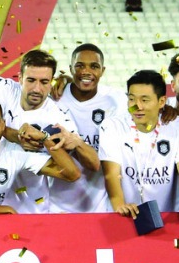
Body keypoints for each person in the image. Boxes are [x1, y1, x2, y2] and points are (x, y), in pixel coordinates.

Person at [0, 50, 83, 213]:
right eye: (31, 80)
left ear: (51, 82)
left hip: (32, 208)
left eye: (44, 82)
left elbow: (72, 171)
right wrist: (18, 137)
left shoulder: (57, 117)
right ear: (20, 78)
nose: (37, 88)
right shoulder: (6, 89)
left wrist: (45, 139)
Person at [100, 70, 179, 220]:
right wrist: (120, 206)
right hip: (125, 216)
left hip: (167, 217)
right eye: (131, 99)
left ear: (161, 102)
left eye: (145, 100)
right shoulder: (111, 127)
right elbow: (111, 174)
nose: (137, 106)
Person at [54, 44, 127, 212]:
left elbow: (144, 110)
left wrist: (167, 109)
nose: (86, 71)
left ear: (103, 70)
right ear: (71, 69)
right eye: (80, 66)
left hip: (101, 204)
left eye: (94, 66)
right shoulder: (55, 97)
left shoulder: (118, 101)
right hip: (58, 204)